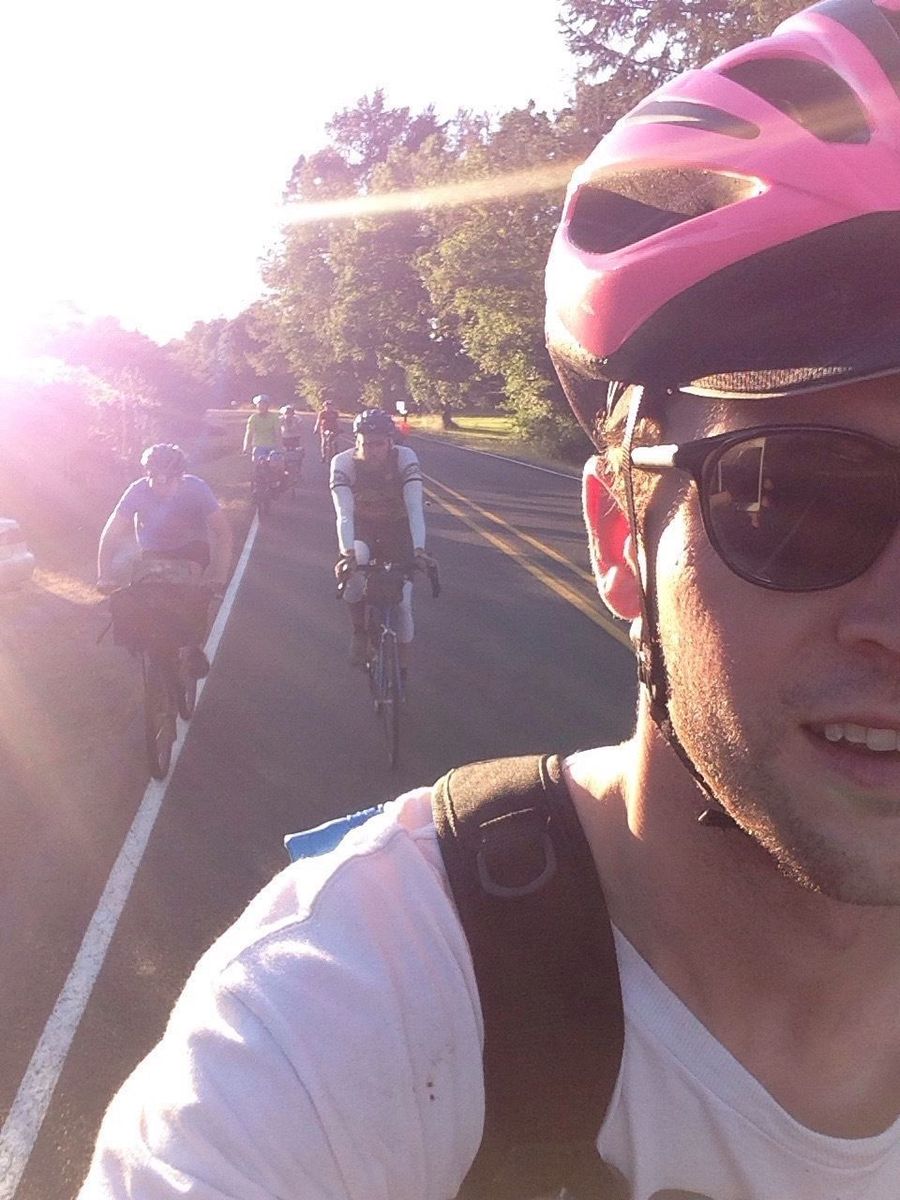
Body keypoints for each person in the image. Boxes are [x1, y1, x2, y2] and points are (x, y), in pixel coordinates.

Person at [81, 3, 900, 1196]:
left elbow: (408, 515)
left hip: (391, 526)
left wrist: (406, 560)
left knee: (399, 583)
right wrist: (347, 564)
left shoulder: (398, 464)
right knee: (364, 581)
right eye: (797, 494)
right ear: (620, 540)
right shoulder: (333, 1033)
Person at [96, 444, 232, 677]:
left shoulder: (197, 489)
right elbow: (110, 535)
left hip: (192, 547)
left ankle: (193, 646)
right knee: (146, 597)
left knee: (188, 590)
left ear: (181, 476)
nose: (162, 487)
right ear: (147, 474)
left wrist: (220, 577)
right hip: (154, 551)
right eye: (156, 480)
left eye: (169, 481)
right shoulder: (136, 491)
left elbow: (223, 533)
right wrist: (103, 575)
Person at [330, 406, 427, 671]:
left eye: (379, 444)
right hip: (362, 527)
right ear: (356, 441)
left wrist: (419, 551)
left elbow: (415, 508)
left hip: (399, 528)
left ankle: (402, 668)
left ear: (390, 442)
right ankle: (359, 631)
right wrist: (348, 555)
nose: (373, 450)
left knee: (403, 605)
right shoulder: (343, 463)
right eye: (366, 444)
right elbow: (344, 513)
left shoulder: (405, 458)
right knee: (354, 571)